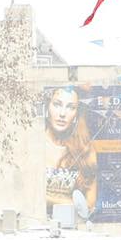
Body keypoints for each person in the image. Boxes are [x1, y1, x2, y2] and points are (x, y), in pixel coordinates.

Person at [44, 84, 97, 216]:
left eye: (70, 107)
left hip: (75, 229)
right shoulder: (34, 145)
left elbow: (89, 205)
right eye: (57, 104)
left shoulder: (86, 150)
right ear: (47, 107)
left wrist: (50, 199)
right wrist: (68, 203)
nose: (62, 114)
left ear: (76, 114)